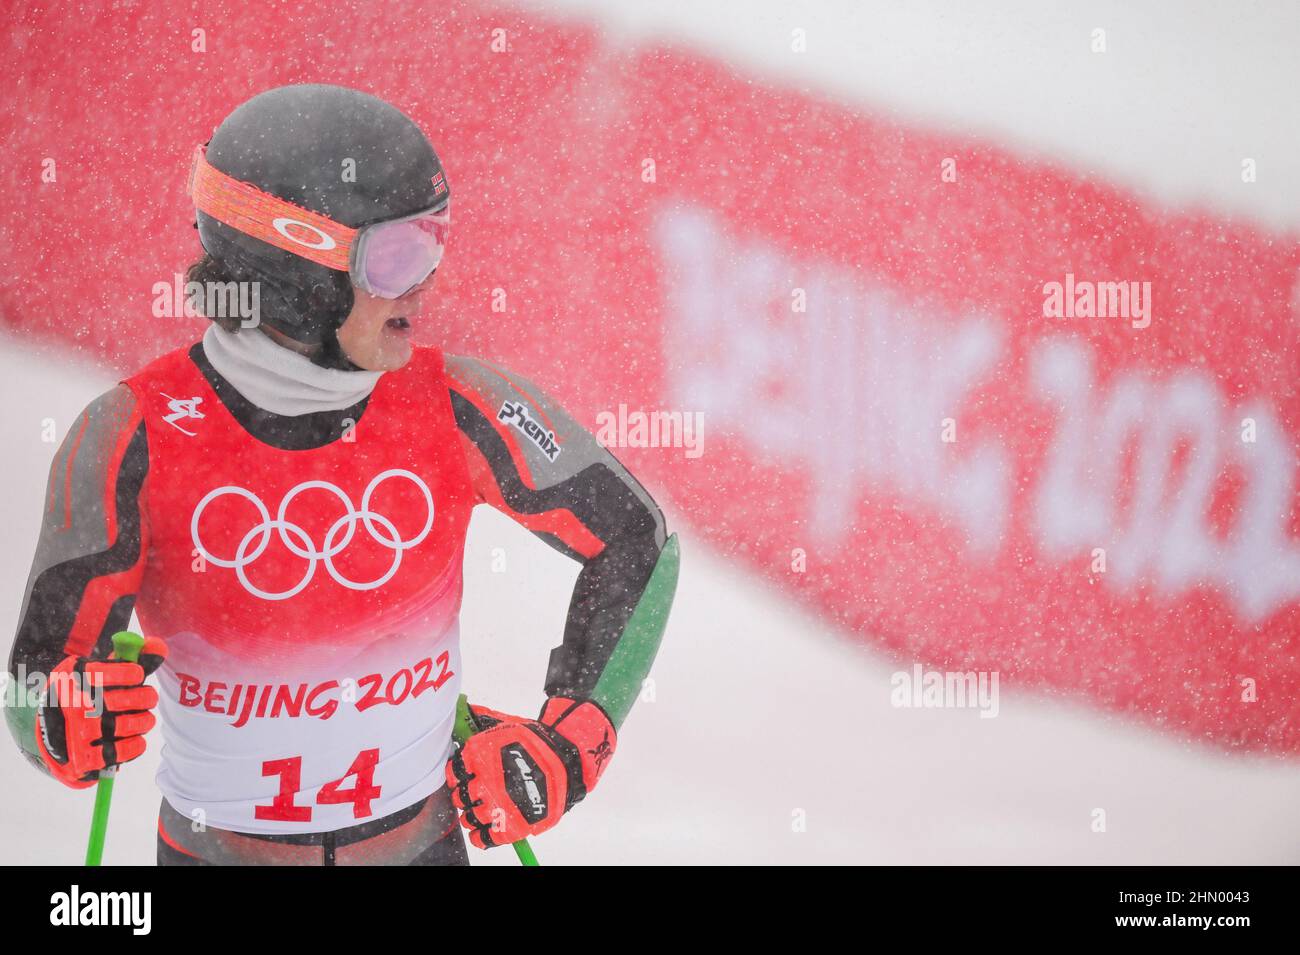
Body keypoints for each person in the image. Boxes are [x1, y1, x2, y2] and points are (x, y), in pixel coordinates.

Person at [5, 84, 678, 865]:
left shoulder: (459, 405)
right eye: (396, 256)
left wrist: (571, 739)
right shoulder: (133, 433)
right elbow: (35, 676)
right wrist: (62, 716)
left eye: (435, 242)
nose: (427, 283)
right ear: (295, 272)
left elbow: (637, 538)